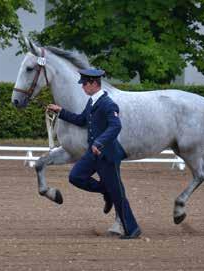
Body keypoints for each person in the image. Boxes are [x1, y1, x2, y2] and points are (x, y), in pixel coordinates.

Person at [47, 68, 141, 239]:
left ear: (93, 83)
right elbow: (81, 120)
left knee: (118, 195)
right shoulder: (91, 102)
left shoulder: (108, 104)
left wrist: (100, 142)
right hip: (93, 153)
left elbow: (115, 126)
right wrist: (60, 111)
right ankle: (106, 190)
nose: (82, 87)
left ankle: (132, 229)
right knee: (76, 176)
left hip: (107, 154)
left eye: (84, 84)